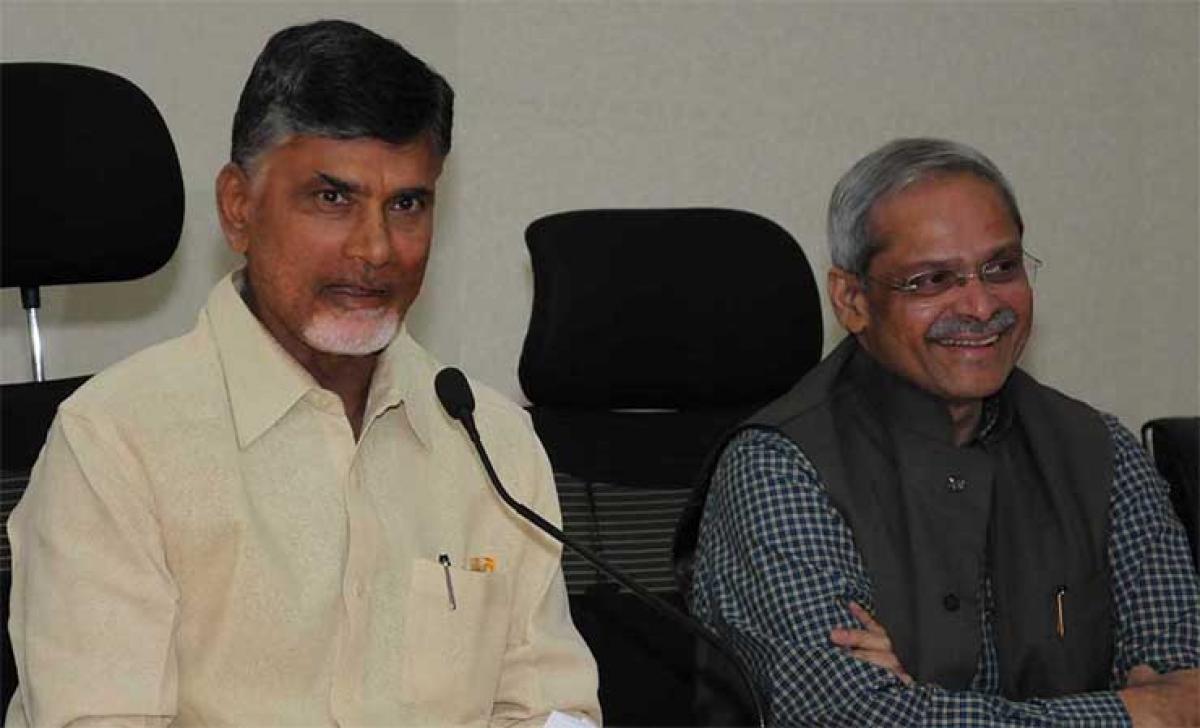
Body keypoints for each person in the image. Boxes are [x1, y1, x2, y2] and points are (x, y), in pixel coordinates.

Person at [5, 20, 600, 727]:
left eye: (407, 204)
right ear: (238, 208)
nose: (376, 248)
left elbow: (549, 708)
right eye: (332, 199)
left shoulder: (492, 444)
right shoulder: (115, 443)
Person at [686, 138, 1199, 726]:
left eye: (1001, 267)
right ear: (853, 300)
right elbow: (848, 718)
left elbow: (1186, 691)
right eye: (932, 280)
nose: (980, 306)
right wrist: (1130, 715)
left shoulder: (1100, 452)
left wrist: (919, 707)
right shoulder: (780, 467)